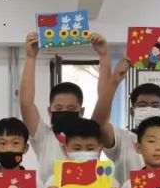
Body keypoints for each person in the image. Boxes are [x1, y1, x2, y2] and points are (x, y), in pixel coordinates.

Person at [93, 52, 160, 186]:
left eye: (155, 105)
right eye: (142, 105)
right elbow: (98, 124)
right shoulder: (122, 138)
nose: (149, 108)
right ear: (132, 111)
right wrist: (114, 81)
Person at [18, 31, 109, 177]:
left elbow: (105, 99)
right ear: (50, 111)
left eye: (71, 108)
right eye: (59, 108)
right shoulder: (44, 137)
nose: (64, 112)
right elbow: (25, 103)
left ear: (81, 111)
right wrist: (30, 57)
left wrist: (104, 56)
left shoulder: (92, 133)